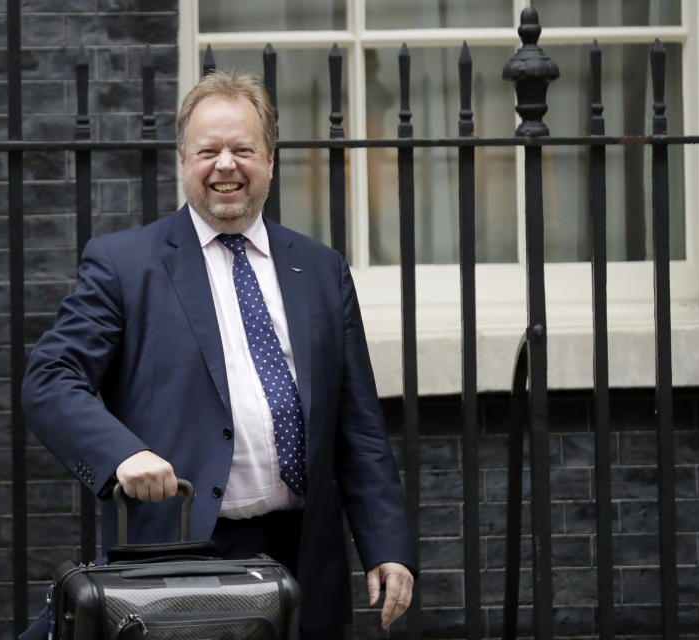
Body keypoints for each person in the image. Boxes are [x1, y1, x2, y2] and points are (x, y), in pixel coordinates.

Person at [22, 70, 416, 637]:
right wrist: (121, 455)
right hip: (180, 554)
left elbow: (358, 424)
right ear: (183, 160)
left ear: (271, 160)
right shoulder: (123, 264)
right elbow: (51, 379)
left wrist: (387, 546)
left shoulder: (321, 269)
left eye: (243, 149)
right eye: (208, 150)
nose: (225, 165)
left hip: (303, 556)